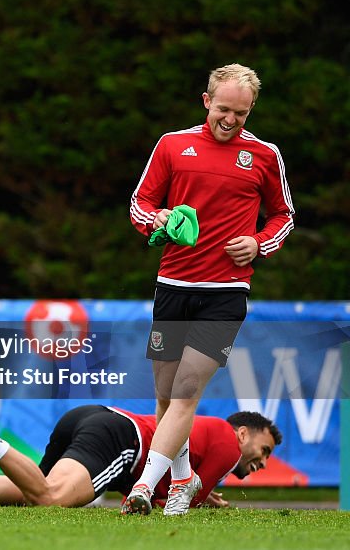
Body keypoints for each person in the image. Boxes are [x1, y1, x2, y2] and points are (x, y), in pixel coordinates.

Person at [125, 64, 294, 515]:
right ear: (206, 101)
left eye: (240, 113)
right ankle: (183, 480)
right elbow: (139, 204)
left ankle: (144, 488)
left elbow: (284, 216)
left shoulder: (264, 155)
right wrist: (157, 219)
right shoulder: (172, 144)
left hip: (226, 293)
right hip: (173, 286)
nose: (230, 120)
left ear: (250, 110)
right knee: (165, 396)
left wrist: (257, 243)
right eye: (223, 109)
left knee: (184, 391)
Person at [0, 404, 280, 510]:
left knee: (34, 491)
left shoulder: (211, 436)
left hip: (94, 418)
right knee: (51, 499)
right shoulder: (228, 444)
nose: (263, 462)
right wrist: (203, 501)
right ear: (243, 433)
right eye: (264, 450)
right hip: (121, 437)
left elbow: (161, 494)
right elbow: (179, 504)